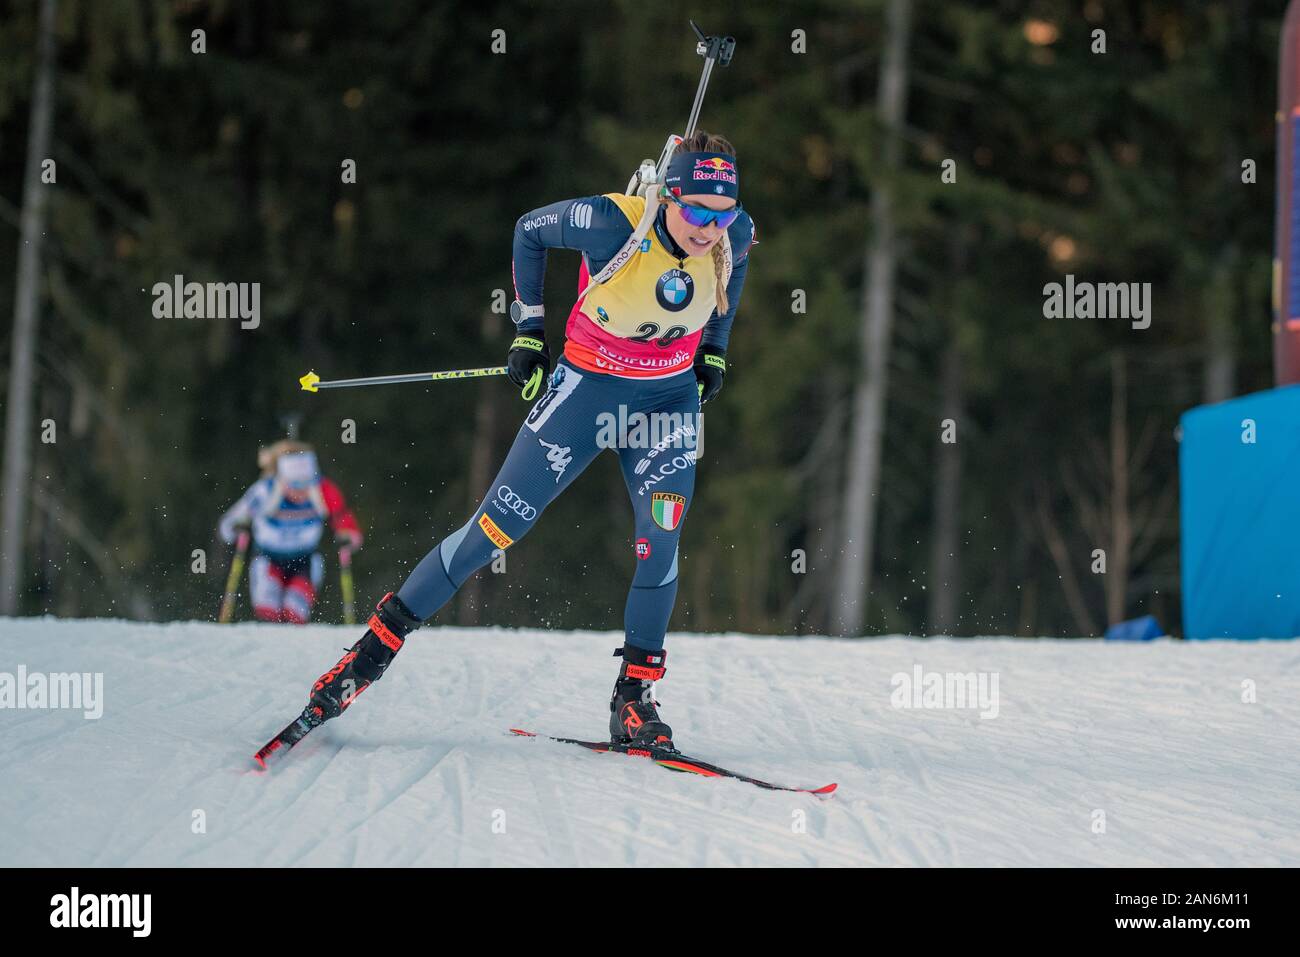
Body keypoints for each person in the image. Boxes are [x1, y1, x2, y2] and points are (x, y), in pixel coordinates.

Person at [301, 132, 755, 748]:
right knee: (495, 529)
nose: (709, 227)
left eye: (721, 212)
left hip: (666, 402)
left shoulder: (735, 232)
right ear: (669, 196)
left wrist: (716, 352)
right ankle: (368, 655)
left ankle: (634, 700)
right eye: (697, 210)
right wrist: (529, 330)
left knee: (661, 539)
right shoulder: (611, 223)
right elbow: (529, 231)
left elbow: (730, 279)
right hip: (587, 392)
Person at [219, 444, 363, 623]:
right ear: (283, 479)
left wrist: (348, 535)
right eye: (295, 484)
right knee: (268, 611)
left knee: (295, 613)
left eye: (307, 482)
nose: (301, 491)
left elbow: (343, 517)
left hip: (305, 561)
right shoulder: (265, 490)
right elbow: (230, 522)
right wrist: (237, 527)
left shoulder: (322, 489)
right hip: (268, 558)